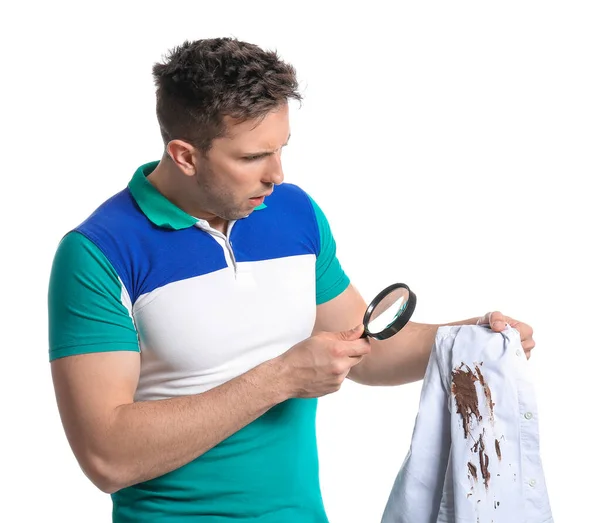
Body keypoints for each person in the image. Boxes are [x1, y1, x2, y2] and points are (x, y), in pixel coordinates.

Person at [48, 37, 535, 523]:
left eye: (281, 149)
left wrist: (466, 340)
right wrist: (280, 378)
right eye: (251, 157)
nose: (276, 175)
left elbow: (367, 349)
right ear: (185, 156)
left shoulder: (294, 212)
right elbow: (106, 455)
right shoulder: (97, 252)